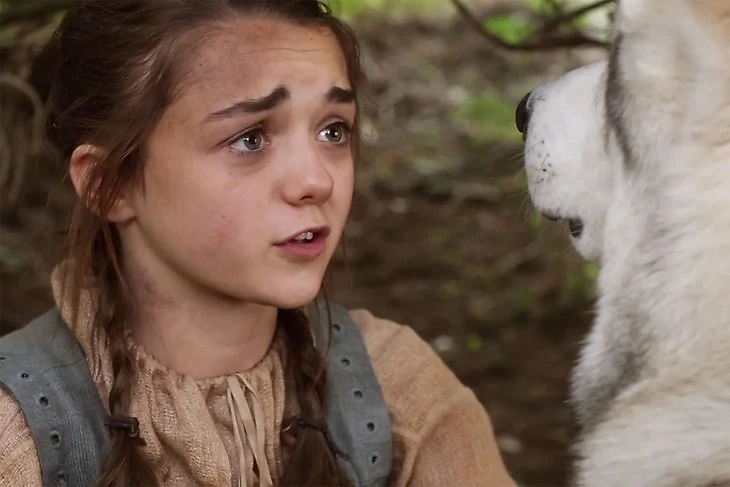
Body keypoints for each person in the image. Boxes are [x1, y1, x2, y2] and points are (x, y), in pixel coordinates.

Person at [0, 1, 516, 486]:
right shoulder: (17, 436)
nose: (317, 180)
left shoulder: (401, 393)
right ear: (108, 184)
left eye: (333, 131)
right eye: (250, 138)